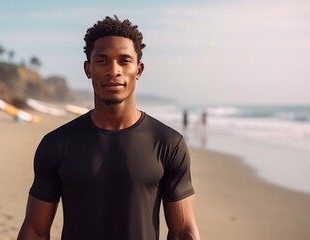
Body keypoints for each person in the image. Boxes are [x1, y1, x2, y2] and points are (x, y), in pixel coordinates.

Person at [17, 15, 200, 240]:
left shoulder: (168, 144)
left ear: (139, 70)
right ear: (88, 69)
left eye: (124, 61)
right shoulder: (57, 144)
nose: (114, 70)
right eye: (102, 60)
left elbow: (183, 233)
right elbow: (35, 231)